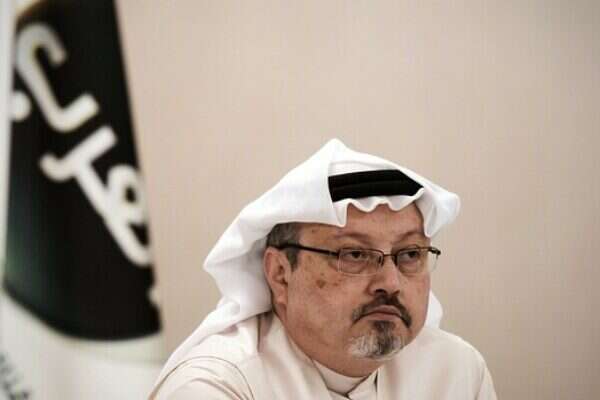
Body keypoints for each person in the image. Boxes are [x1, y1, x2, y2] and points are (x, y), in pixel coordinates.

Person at [150, 139, 497, 399]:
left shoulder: (458, 372)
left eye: (409, 254)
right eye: (355, 254)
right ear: (280, 274)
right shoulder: (216, 387)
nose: (391, 282)